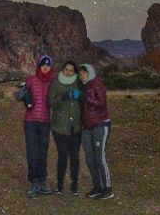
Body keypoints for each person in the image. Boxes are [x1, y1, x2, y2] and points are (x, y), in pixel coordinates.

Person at [78, 63, 113, 200]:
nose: (82, 76)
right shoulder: (83, 86)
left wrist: (85, 98)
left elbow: (101, 103)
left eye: (84, 73)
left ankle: (107, 189)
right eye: (80, 74)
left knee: (99, 158)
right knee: (90, 159)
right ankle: (98, 187)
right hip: (87, 126)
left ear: (90, 72)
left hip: (100, 124)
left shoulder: (97, 84)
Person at [48, 60, 83, 196]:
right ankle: (59, 185)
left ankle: (74, 185)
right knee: (63, 155)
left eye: (71, 70)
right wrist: (62, 97)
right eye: (66, 70)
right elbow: (50, 102)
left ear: (74, 72)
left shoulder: (78, 83)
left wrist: (80, 96)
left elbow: (84, 100)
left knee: (74, 156)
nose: (68, 72)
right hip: (59, 126)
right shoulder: (56, 83)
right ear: (62, 70)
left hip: (76, 126)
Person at [22, 54, 54, 197]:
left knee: (43, 152)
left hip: (45, 122)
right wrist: (20, 94)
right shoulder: (31, 80)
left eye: (48, 65)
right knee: (32, 152)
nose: (45, 67)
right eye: (43, 65)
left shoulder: (53, 82)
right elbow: (21, 95)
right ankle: (34, 182)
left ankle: (42, 181)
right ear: (39, 66)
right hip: (30, 122)